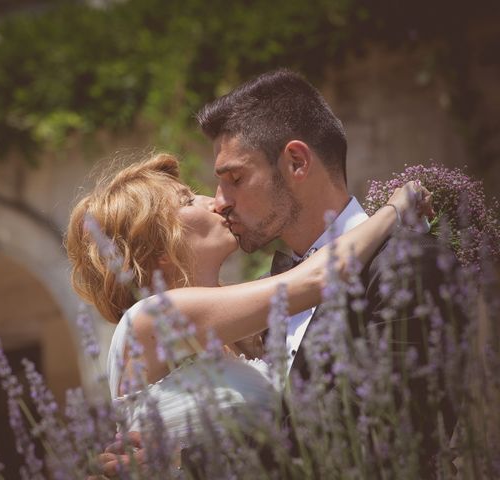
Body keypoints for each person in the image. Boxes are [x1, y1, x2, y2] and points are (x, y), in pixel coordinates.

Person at [87, 69, 462, 478]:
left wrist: (185, 462)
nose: (219, 202)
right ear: (158, 247)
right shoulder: (180, 316)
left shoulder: (406, 266)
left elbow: (398, 444)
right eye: (192, 197)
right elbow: (316, 281)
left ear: (296, 162)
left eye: (235, 178)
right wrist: (395, 208)